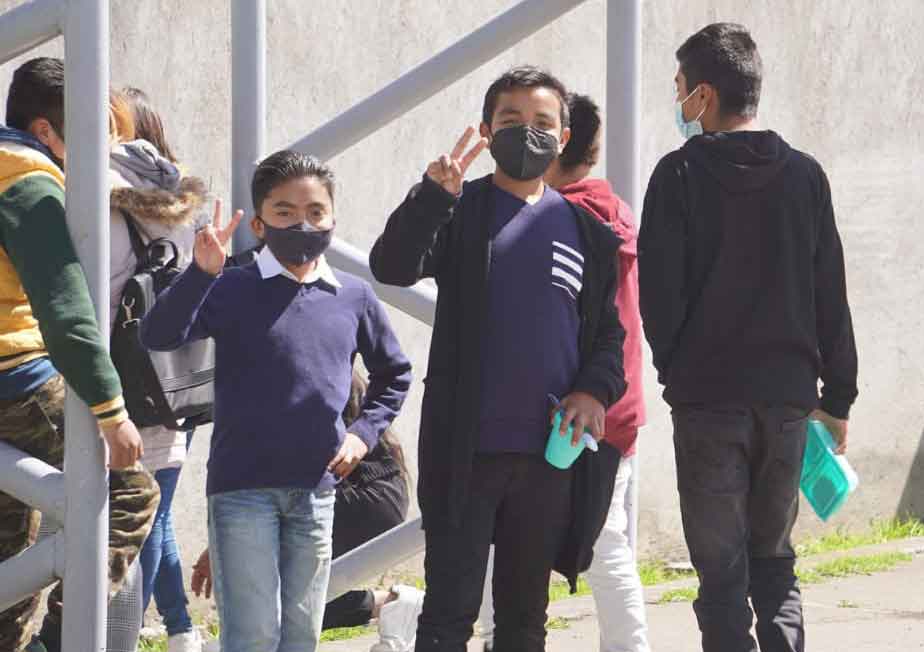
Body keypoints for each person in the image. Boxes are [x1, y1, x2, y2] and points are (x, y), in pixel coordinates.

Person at [370, 66, 627, 652]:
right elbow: (392, 266)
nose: (528, 133)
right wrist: (432, 197)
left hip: (546, 460)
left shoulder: (589, 234)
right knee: (447, 618)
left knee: (521, 623)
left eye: (542, 123)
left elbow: (607, 337)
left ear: (563, 138)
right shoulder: (460, 210)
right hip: (466, 454)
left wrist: (592, 391)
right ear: (487, 131)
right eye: (511, 120)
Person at [639, 24, 859, 652]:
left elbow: (658, 296)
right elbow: (830, 295)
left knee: (722, 573)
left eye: (680, 88)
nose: (677, 101)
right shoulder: (806, 177)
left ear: (704, 95)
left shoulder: (677, 176)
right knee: (775, 559)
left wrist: (678, 371)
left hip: (707, 401)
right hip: (788, 403)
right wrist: (837, 397)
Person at [140, 149, 413, 652]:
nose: (302, 223)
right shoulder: (231, 285)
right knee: (252, 634)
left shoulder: (352, 296)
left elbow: (394, 373)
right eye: (284, 212)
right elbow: (158, 335)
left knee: (301, 634)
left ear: (333, 219)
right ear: (261, 223)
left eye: (315, 212)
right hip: (242, 491)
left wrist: (362, 434)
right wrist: (200, 274)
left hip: (316, 491)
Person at [0, 57, 161, 652]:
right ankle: (68, 635)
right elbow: (63, 307)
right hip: (15, 378)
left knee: (13, 538)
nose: (105, 147)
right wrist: (111, 411)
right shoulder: (28, 179)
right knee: (131, 491)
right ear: (46, 131)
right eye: (96, 131)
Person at [479, 92, 650, 652]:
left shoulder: (563, 219)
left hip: (572, 409)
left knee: (584, 546)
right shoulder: (618, 212)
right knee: (608, 543)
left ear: (561, 142)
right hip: (615, 404)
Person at [190, 370, 420, 635]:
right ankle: (392, 605)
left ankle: (389, 604)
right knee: (276, 597)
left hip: (362, 494)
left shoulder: (291, 362)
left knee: (272, 597)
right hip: (367, 491)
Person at [108, 87, 209, 652]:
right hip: (174, 380)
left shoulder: (105, 192)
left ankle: (154, 631)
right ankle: (180, 632)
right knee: (156, 515)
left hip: (120, 381)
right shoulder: (182, 202)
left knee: (135, 520)